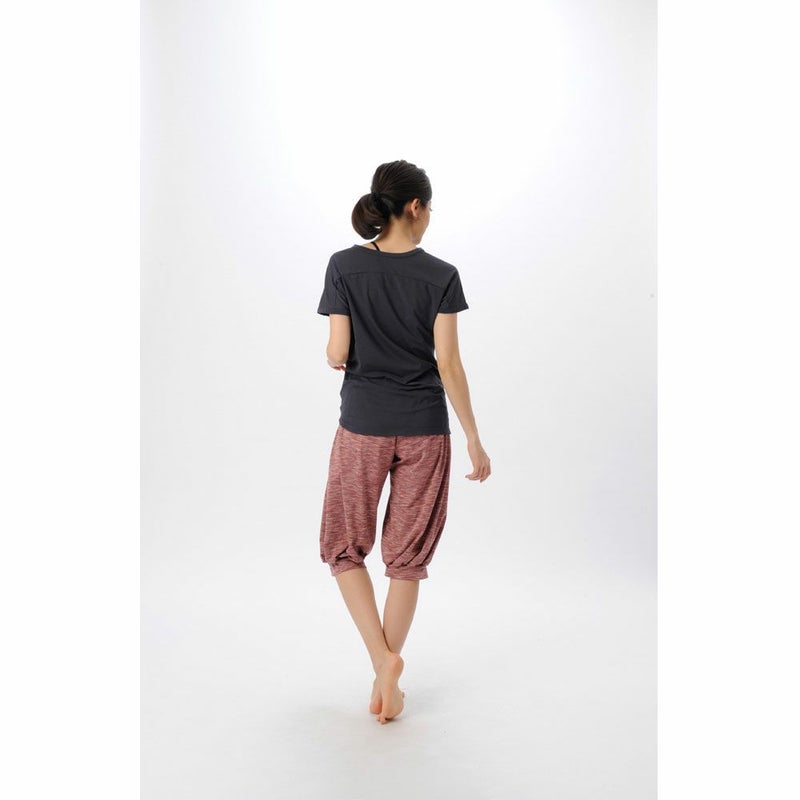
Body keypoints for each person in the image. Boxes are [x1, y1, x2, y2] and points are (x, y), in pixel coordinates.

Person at [316, 159, 491, 724]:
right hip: (425, 429)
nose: (430, 216)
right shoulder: (441, 275)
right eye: (430, 207)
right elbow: (449, 363)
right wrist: (473, 437)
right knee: (406, 560)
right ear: (415, 207)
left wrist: (343, 352)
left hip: (362, 426)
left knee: (345, 548)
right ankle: (385, 674)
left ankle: (381, 661)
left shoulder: (343, 266)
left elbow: (337, 351)